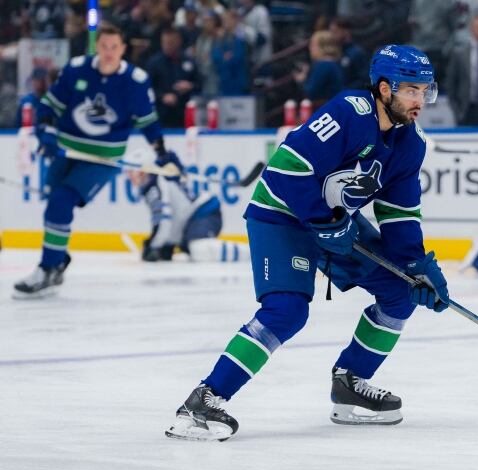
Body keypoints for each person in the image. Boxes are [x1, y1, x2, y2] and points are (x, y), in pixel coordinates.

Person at [166, 44, 449, 441]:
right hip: (281, 215)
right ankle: (204, 400)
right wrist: (322, 221)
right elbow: (287, 170)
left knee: (401, 292)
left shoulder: (410, 143)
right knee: (287, 310)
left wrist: (418, 266)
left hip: (335, 222)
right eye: (411, 91)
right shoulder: (349, 111)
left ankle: (350, 385)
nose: (420, 100)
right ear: (385, 88)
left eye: (425, 91)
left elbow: (399, 214)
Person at [13, 24, 182, 299]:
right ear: (97, 47)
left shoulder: (135, 81)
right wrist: (45, 132)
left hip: (102, 158)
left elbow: (149, 124)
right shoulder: (77, 70)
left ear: (123, 50)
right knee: (54, 205)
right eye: (104, 46)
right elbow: (49, 107)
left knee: (61, 202)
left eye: (114, 47)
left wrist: (163, 154)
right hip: (66, 151)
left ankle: (46, 269)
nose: (108, 53)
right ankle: (58, 261)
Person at [129, 168, 250, 263]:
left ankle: (255, 253)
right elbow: (173, 218)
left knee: (199, 249)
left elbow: (164, 220)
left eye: (132, 171)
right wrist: (166, 245)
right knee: (195, 251)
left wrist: (154, 245)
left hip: (203, 212)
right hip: (192, 220)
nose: (130, 176)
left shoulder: (156, 186)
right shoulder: (153, 185)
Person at [145, 26, 201, 128]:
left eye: (170, 42)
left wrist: (190, 85)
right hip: (161, 114)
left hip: (184, 114)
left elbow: (199, 84)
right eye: (164, 42)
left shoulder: (188, 61)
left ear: (178, 41)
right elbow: (147, 88)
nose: (167, 46)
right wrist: (162, 96)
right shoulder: (154, 63)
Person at [292, 30, 344, 109]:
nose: (310, 48)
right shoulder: (335, 63)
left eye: (313, 45)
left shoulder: (323, 65)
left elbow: (310, 93)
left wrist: (301, 80)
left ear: (322, 47)